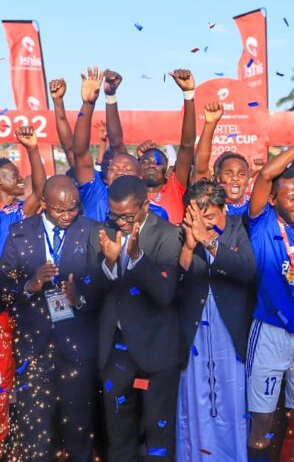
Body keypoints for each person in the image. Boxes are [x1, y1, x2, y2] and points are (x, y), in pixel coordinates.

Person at [0, 172, 99, 461]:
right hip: (34, 350)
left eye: (73, 208)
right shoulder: (20, 233)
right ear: (43, 202)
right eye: (59, 210)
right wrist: (30, 285)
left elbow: (106, 287)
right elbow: (3, 288)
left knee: (79, 432)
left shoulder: (92, 231)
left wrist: (80, 297)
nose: (68, 215)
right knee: (36, 435)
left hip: (77, 350)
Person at [85, 175, 182, 460]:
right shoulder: (101, 233)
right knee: (119, 436)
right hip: (116, 352)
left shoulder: (168, 235)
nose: (120, 222)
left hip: (157, 350)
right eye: (114, 214)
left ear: (145, 206)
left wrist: (137, 257)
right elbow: (89, 291)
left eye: (127, 216)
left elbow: (165, 293)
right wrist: (109, 263)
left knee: (158, 436)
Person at [245, 131, 294, 462]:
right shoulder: (260, 222)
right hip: (269, 331)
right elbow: (265, 175)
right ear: (274, 200)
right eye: (291, 197)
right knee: (262, 421)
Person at [176, 179, 256, 461]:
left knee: (232, 399)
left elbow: (247, 271)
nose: (203, 224)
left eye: (209, 216)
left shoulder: (237, 228)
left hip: (229, 331)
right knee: (197, 398)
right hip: (194, 333)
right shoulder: (181, 232)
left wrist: (209, 242)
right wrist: (188, 247)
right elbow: (173, 288)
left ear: (224, 210)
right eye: (197, 217)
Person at [71, 68, 169, 222]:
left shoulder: (156, 214)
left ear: (140, 177)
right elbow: (80, 152)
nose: (120, 172)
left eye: (127, 169)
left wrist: (111, 96)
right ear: (106, 177)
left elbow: (116, 144)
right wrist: (88, 104)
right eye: (114, 169)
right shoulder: (96, 195)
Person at [0, 126, 45, 450]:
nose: (19, 178)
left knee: (11, 376)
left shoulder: (18, 212)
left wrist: (32, 148)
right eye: (12, 174)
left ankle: (9, 440)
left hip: (17, 303)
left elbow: (40, 190)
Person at [139, 69, 198, 224]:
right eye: (146, 162)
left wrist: (188, 94)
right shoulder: (132, 193)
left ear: (167, 173)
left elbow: (187, 146)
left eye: (157, 163)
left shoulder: (175, 187)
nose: (151, 165)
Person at [193, 101, 259, 215]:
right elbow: (200, 168)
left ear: (248, 178)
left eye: (242, 174)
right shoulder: (210, 202)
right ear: (218, 178)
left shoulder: (256, 206)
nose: (235, 178)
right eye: (228, 173)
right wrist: (210, 124)